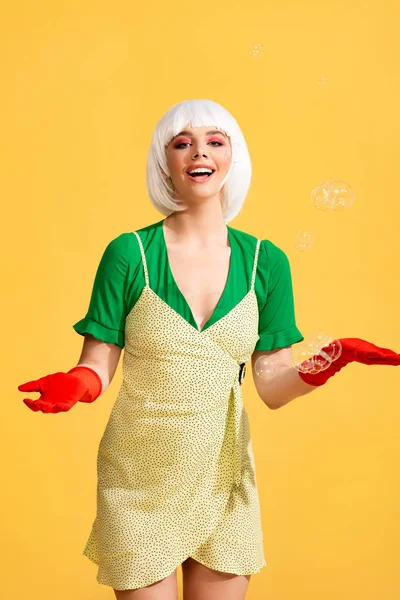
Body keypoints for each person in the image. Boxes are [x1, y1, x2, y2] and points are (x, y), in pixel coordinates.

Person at [18, 99, 400, 600]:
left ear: (232, 158)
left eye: (215, 141)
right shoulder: (129, 254)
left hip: (225, 477)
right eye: (182, 143)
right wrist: (77, 383)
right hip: (140, 481)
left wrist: (334, 358)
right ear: (165, 163)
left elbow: (273, 387)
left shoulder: (267, 261)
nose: (199, 151)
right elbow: (96, 364)